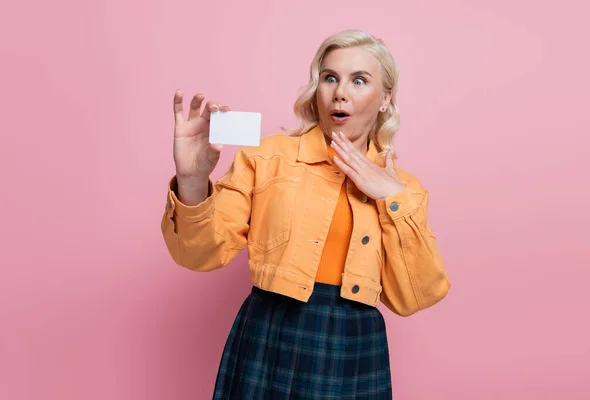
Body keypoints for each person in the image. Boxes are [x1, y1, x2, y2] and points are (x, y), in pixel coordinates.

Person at [161, 29, 450, 399]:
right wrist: (192, 180)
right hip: (270, 331)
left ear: (385, 98)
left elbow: (417, 296)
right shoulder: (267, 157)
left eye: (359, 80)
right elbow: (197, 254)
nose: (339, 92)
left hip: (354, 344)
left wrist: (391, 199)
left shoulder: (403, 188)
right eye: (330, 78)